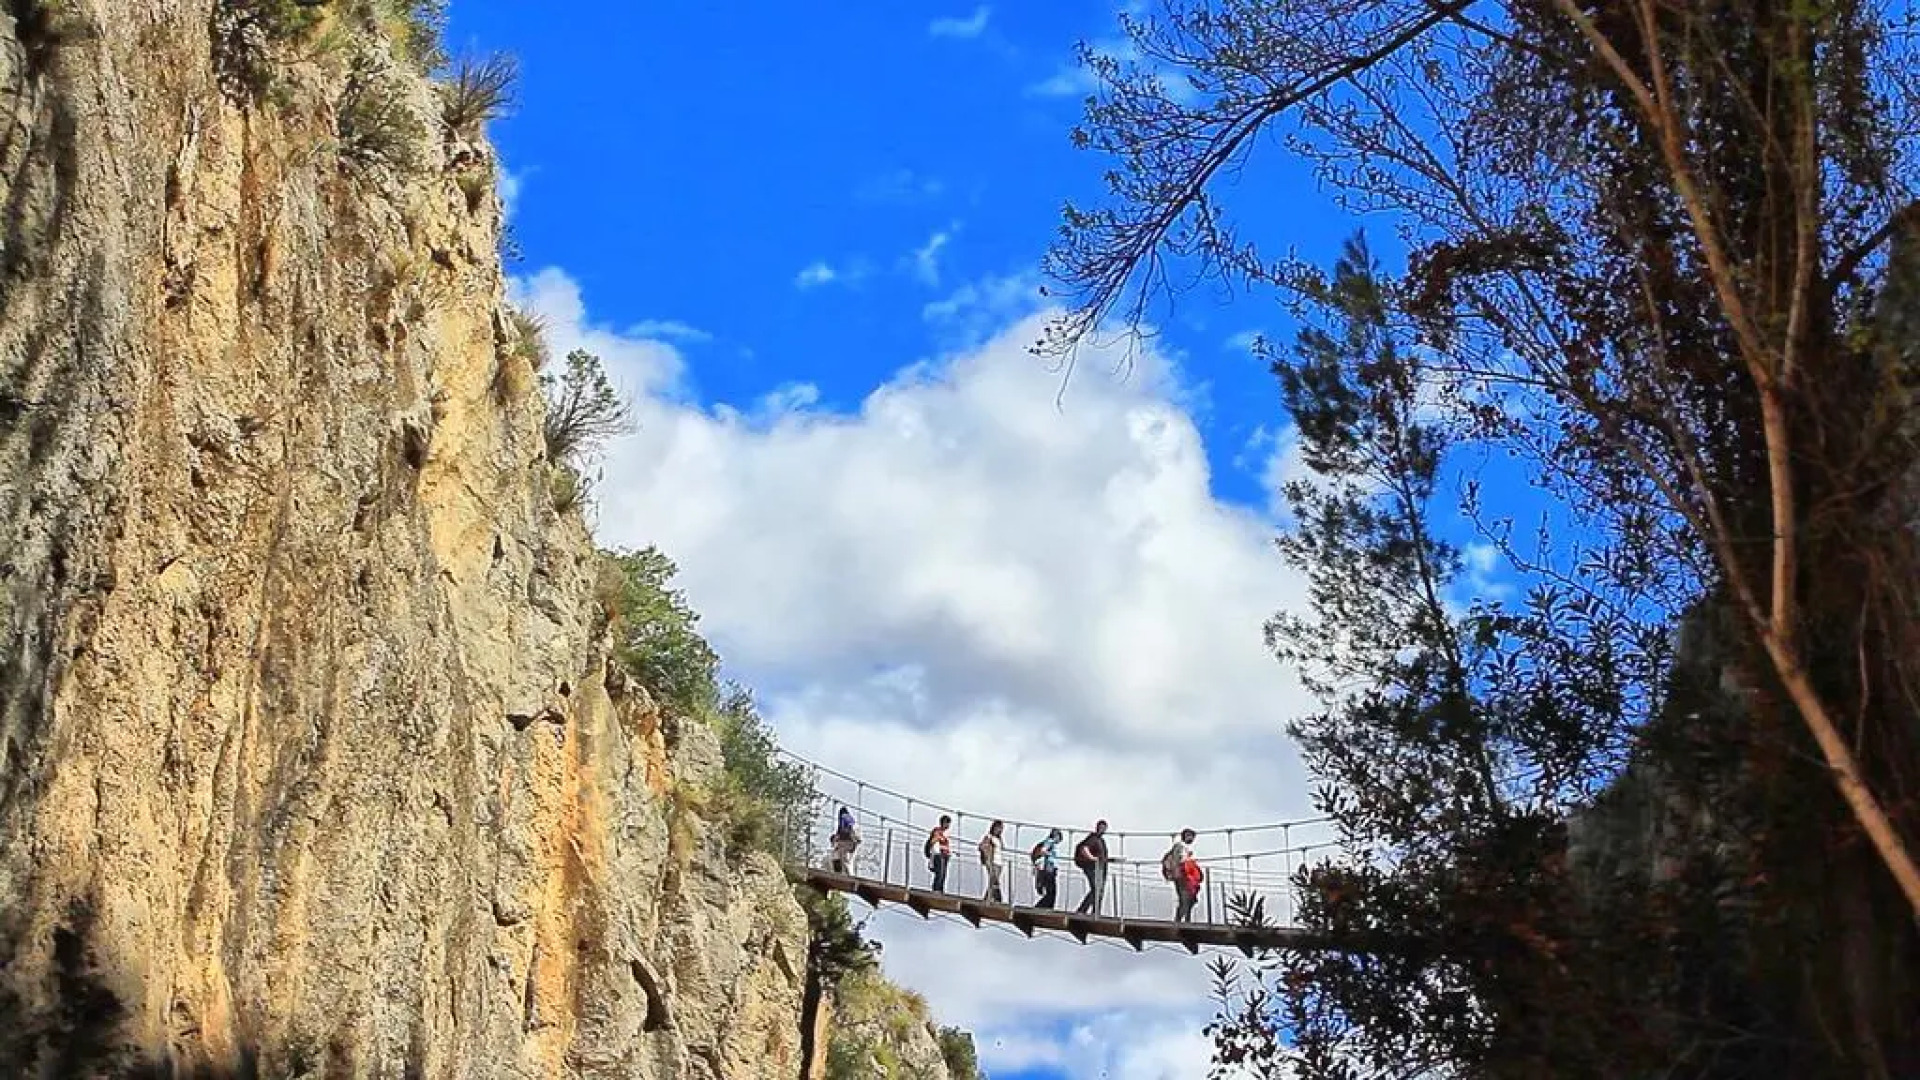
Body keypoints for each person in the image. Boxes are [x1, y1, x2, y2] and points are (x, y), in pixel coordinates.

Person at [1073, 820, 1110, 916]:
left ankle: (1095, 912)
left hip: (1101, 868)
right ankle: (1082, 910)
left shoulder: (1101, 840)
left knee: (1099, 890)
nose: (1102, 829)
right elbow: (1084, 849)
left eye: (1104, 828)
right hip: (1092, 867)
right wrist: (1092, 858)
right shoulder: (1093, 838)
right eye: (1101, 827)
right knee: (1097, 889)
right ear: (1097, 827)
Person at [1163, 828, 1200, 922]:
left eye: (1192, 837)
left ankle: (1184, 919)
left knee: (1190, 899)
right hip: (1182, 877)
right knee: (1186, 899)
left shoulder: (1185, 848)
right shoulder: (1180, 846)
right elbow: (1180, 861)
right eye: (1189, 836)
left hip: (1187, 877)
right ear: (1185, 836)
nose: (1191, 839)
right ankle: (1180, 920)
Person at [1031, 828, 1061, 909]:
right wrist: (1049, 854)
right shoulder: (1050, 841)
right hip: (1049, 868)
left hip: (1050, 868)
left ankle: (1045, 907)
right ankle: (1041, 907)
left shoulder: (1050, 842)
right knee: (1052, 892)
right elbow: (1042, 850)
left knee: (1051, 892)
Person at [979, 819, 1006, 903]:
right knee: (994, 880)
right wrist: (987, 857)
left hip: (999, 862)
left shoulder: (999, 839)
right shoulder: (989, 837)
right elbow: (981, 846)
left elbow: (1001, 848)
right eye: (999, 828)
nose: (1000, 830)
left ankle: (988, 898)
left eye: (1001, 828)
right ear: (994, 827)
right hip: (992, 861)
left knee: (993, 881)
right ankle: (997, 899)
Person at [925, 815, 953, 892]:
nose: (948, 825)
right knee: (940, 873)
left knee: (943, 874)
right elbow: (933, 841)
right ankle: (936, 890)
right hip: (939, 855)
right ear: (943, 823)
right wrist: (938, 839)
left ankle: (940, 890)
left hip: (945, 856)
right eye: (947, 823)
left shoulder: (945, 834)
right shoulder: (937, 831)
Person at [830, 805, 860, 875]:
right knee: (848, 861)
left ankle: (839, 873)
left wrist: (838, 837)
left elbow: (842, 829)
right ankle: (849, 874)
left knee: (840, 857)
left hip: (846, 842)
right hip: (854, 843)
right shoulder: (852, 819)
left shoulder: (843, 817)